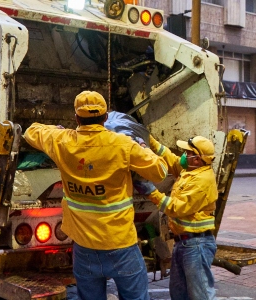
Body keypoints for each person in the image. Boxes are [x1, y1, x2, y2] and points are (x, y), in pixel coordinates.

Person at [23, 91, 168, 300]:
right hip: (121, 246)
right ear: (106, 117)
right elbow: (160, 171)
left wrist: (57, 130)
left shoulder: (61, 141)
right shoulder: (122, 144)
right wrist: (144, 147)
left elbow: (30, 131)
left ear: (76, 118)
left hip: (85, 249)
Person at [147, 135, 218, 300]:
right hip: (184, 243)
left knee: (200, 295)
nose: (184, 156)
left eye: (187, 152)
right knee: (179, 294)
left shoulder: (202, 181)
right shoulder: (191, 170)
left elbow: (176, 208)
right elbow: (172, 160)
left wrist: (152, 193)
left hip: (196, 245)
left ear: (197, 159)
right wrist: (149, 141)